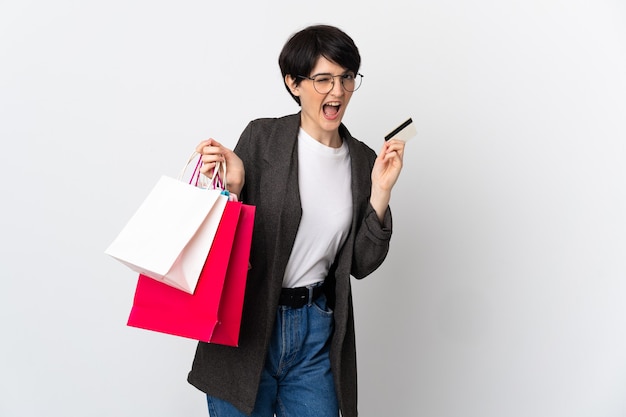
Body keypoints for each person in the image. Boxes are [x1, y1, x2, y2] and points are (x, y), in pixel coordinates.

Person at [187, 24, 405, 417]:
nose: (337, 92)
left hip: (315, 332)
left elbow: (361, 264)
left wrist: (380, 195)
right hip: (248, 327)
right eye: (323, 79)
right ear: (294, 83)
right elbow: (224, 248)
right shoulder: (262, 138)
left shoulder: (362, 160)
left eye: (346, 78)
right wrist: (233, 188)